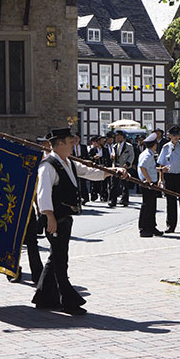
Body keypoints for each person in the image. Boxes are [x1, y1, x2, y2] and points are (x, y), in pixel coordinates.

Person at [32, 128, 125, 315]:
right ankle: (69, 301)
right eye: (69, 141)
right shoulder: (48, 165)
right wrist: (48, 216)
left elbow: (91, 173)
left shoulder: (68, 162)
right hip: (54, 218)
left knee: (55, 256)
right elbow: (43, 194)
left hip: (65, 217)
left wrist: (112, 172)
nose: (73, 144)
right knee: (60, 259)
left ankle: (43, 297)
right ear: (59, 144)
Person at [157, 126, 180, 235]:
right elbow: (161, 164)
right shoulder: (166, 147)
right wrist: (160, 179)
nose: (176, 137)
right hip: (170, 176)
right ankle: (171, 225)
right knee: (170, 202)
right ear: (169, 136)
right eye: (174, 135)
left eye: (178, 135)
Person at [137, 134, 164, 238]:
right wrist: (149, 180)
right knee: (147, 207)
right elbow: (143, 167)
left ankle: (151, 227)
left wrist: (160, 170)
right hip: (147, 184)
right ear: (154, 145)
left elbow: (150, 168)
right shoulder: (148, 155)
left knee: (151, 207)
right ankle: (144, 228)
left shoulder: (147, 153)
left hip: (149, 183)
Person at [109, 130, 135, 207]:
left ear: (123, 138)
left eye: (120, 138)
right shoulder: (114, 146)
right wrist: (112, 157)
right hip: (116, 167)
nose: (118, 139)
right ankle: (112, 200)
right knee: (113, 185)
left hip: (124, 167)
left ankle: (124, 200)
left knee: (125, 185)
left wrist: (127, 163)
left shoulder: (129, 146)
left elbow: (131, 156)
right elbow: (113, 155)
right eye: (117, 138)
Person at [71, 134, 89, 204]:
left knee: (83, 182)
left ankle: (85, 197)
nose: (76, 140)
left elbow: (87, 156)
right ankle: (77, 197)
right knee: (75, 182)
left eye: (77, 138)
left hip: (82, 165)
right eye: (74, 138)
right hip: (74, 165)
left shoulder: (83, 147)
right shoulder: (71, 147)